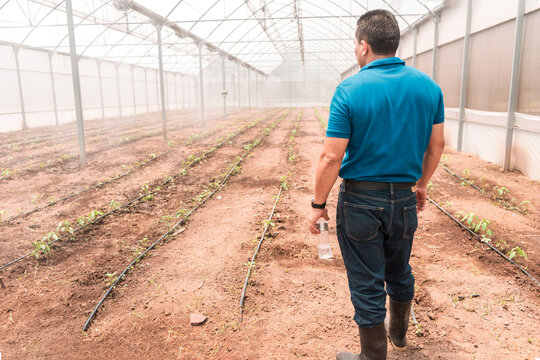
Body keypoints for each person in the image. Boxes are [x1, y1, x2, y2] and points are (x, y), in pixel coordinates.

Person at [308, 9, 445, 360]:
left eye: (355, 43)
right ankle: (398, 335)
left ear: (364, 46)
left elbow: (330, 157)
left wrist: (318, 204)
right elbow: (437, 145)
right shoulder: (429, 87)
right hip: (403, 199)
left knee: (367, 281)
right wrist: (421, 185)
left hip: (360, 203)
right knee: (399, 269)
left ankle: (372, 357)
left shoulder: (349, 89)